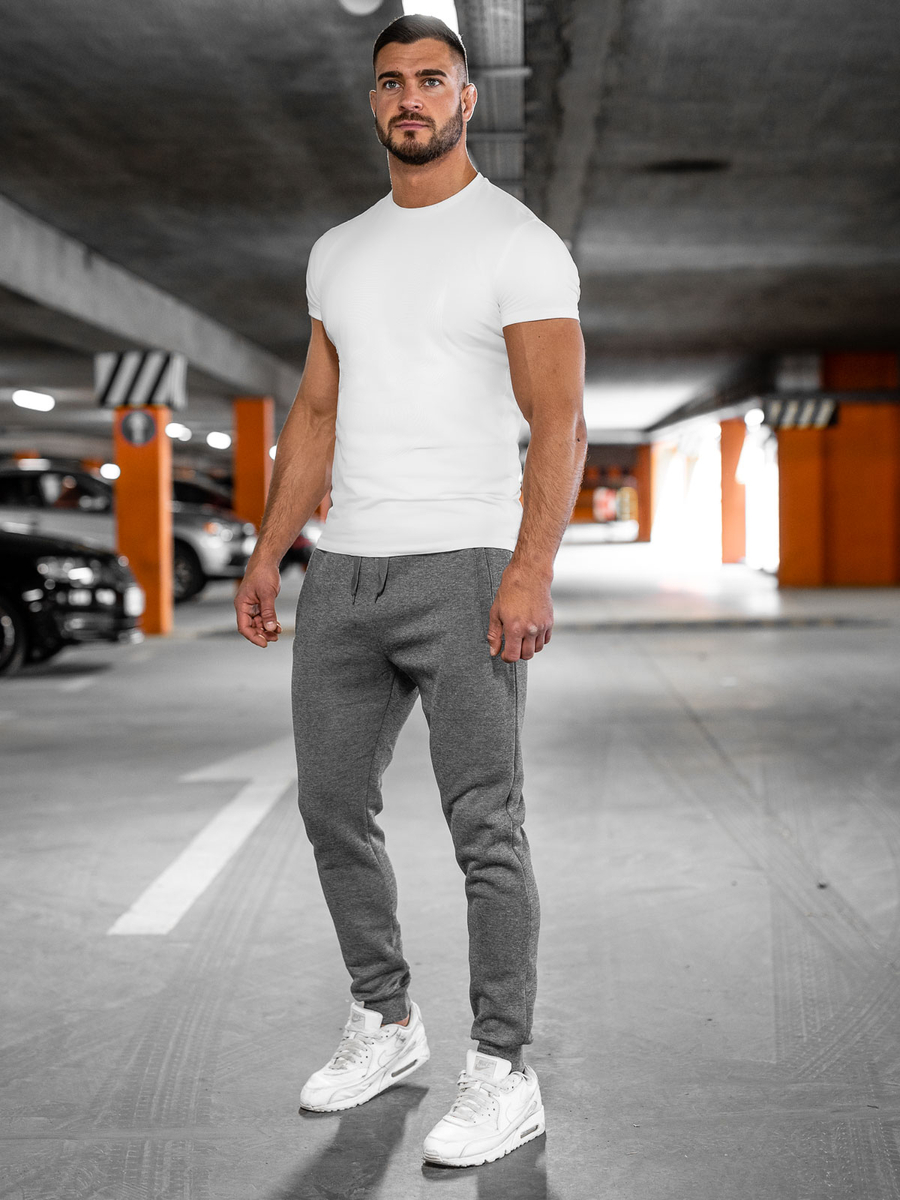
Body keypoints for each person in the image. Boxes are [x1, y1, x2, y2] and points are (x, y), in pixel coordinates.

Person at [235, 13, 586, 1170]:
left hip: (467, 563)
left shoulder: (518, 245)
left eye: (433, 80)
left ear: (467, 99)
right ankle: (385, 1021)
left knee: (485, 824)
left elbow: (559, 419)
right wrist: (269, 550)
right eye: (391, 83)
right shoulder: (338, 252)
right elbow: (316, 413)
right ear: (374, 101)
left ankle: (503, 1070)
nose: (411, 99)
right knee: (331, 804)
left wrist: (529, 567)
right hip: (345, 569)